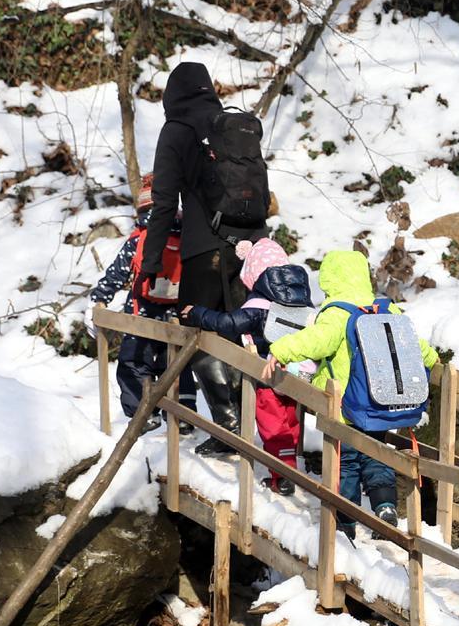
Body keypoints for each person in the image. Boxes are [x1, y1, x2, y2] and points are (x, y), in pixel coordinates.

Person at [263, 248, 437, 531]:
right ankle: (385, 505)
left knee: (346, 464)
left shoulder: (336, 314)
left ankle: (344, 524)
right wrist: (432, 360)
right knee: (377, 454)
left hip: (346, 407)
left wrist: (281, 349)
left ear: (330, 280)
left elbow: (315, 341)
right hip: (381, 403)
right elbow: (414, 345)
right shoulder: (386, 308)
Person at [143, 61, 260, 457]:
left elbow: (162, 204)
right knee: (243, 334)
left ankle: (229, 427)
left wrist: (151, 260)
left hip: (203, 246)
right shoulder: (230, 125)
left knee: (200, 333)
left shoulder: (177, 130)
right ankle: (254, 425)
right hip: (251, 246)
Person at [183, 237, 312, 484]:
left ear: (253, 275)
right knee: (289, 422)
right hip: (296, 375)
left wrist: (198, 313)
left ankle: (283, 477)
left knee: (273, 429)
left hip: (266, 376)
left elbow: (227, 324)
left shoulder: (258, 305)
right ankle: (291, 466)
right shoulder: (302, 302)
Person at [88, 175, 197, 423]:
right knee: (177, 363)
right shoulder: (186, 236)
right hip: (177, 313)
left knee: (134, 361)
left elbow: (118, 272)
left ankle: (142, 413)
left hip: (142, 311)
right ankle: (184, 416)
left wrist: (99, 297)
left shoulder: (140, 238)